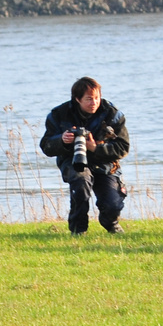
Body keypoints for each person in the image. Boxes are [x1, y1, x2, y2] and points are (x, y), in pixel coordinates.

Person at [40, 77, 130, 234]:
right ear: (77, 99)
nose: (94, 102)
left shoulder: (112, 115)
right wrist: (62, 140)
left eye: (96, 98)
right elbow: (46, 146)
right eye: (89, 99)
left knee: (113, 205)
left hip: (105, 164)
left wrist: (96, 148)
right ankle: (78, 231)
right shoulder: (59, 115)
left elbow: (123, 147)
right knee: (80, 183)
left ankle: (110, 222)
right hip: (73, 161)